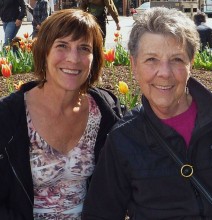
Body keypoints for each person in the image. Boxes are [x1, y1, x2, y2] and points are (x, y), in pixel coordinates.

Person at [82, 7, 212, 220]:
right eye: (151, 59)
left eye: (177, 59)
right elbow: (100, 213)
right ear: (134, 65)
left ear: (191, 62)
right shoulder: (123, 139)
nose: (165, 73)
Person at [0, 9, 122, 219]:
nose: (73, 59)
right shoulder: (8, 116)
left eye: (84, 48)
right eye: (62, 46)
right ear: (44, 51)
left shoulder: (106, 112)